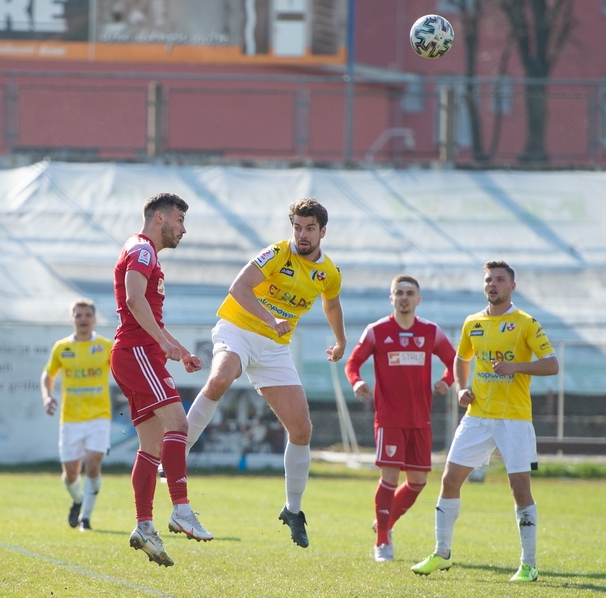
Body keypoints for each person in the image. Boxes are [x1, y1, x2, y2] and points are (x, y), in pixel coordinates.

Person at [184, 197, 347, 549]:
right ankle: (177, 452)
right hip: (239, 329)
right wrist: (270, 319)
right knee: (221, 377)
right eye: (297, 228)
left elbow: (331, 304)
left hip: (273, 347)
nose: (302, 235)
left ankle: (293, 509)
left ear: (323, 231)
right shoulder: (276, 253)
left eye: (309, 229)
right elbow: (238, 288)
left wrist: (341, 341)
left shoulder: (329, 273)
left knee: (301, 429)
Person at [411, 260, 559, 583]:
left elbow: (552, 365)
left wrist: (516, 366)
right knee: (450, 479)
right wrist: (462, 388)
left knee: (519, 488)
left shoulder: (525, 323)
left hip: (514, 420)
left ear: (512, 287)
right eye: (489, 279)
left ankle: (529, 565)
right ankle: (442, 553)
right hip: (477, 416)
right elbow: (461, 358)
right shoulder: (472, 323)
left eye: (500, 280)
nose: (493, 284)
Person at [111, 192, 211, 567]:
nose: (183, 229)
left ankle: (144, 526)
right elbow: (135, 302)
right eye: (180, 220)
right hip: (137, 352)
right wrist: (161, 342)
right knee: (179, 423)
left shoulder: (141, 251)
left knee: (150, 448)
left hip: (138, 353)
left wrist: (178, 349)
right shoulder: (142, 250)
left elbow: (147, 311)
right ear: (159, 219)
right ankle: (182, 509)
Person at [344, 275, 456, 563]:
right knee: (390, 478)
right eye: (399, 292)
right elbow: (353, 362)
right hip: (389, 418)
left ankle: (385, 523)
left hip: (421, 419)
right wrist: (356, 382)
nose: (404, 297)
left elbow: (455, 361)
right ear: (391, 298)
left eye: (410, 293)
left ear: (418, 300)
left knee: (418, 481)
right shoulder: (377, 331)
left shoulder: (430, 331)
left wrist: (447, 380)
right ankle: (383, 542)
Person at [41, 298, 113, 532]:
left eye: (87, 315)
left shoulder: (106, 346)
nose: (83, 319)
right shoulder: (62, 347)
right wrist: (47, 396)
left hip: (99, 416)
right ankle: (78, 500)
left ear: (94, 318)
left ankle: (86, 518)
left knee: (93, 464)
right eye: (78, 315)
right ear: (72, 319)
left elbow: (122, 370)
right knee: (70, 474)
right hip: (70, 418)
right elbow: (48, 374)